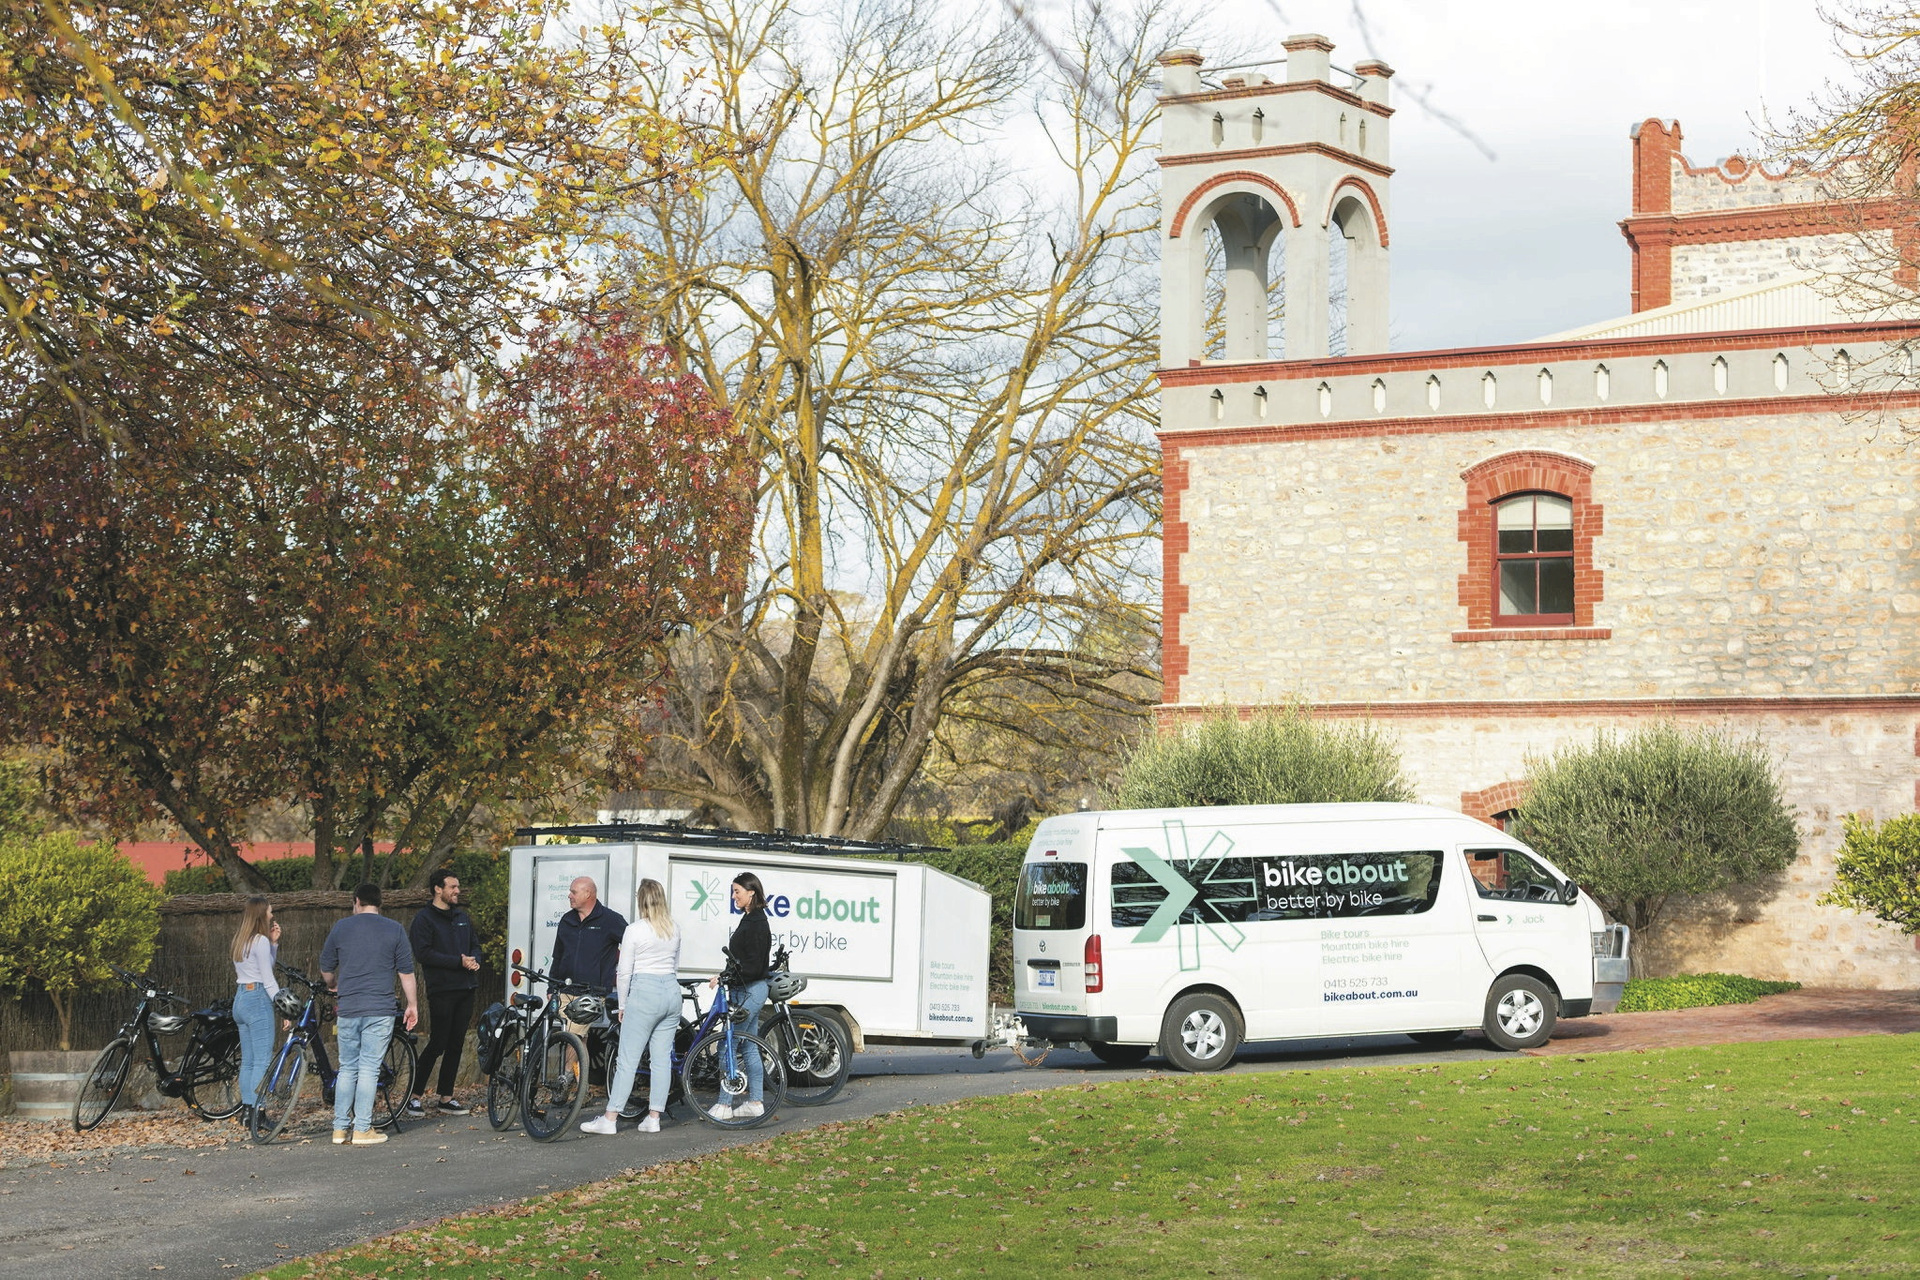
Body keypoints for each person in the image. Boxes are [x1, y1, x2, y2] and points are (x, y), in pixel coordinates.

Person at [319, 883, 419, 1146]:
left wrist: (332, 985)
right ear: (379, 903)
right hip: (380, 1009)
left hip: (348, 1008)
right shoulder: (395, 929)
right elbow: (406, 973)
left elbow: (326, 968)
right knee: (369, 1068)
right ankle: (362, 1128)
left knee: (347, 1068)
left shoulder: (341, 927)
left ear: (356, 901)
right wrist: (412, 1005)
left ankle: (339, 1129)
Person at [582, 878, 681, 1135]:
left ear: (641, 901)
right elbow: (675, 965)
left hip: (644, 992)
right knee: (661, 1060)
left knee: (627, 1060)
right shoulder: (674, 928)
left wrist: (623, 1004)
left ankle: (610, 1118)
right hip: (671, 992)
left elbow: (624, 972)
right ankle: (654, 1118)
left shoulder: (635, 930)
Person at [406, 868, 481, 1117]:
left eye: (457, 886)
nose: (457, 891)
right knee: (438, 1043)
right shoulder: (424, 919)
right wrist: (458, 962)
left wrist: (475, 960)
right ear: (438, 889)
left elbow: (475, 945)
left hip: (466, 987)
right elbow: (423, 953)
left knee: (456, 1044)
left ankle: (446, 1097)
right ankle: (414, 1096)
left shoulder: (462, 917)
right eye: (452, 887)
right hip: (442, 989)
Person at [707, 872, 772, 1121]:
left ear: (751, 892)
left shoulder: (756, 923)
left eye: (737, 891)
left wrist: (727, 976)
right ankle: (755, 1102)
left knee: (728, 1044)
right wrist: (726, 974)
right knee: (749, 1045)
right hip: (748, 989)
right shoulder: (751, 918)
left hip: (750, 990)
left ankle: (724, 1104)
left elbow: (753, 966)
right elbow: (743, 962)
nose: (734, 896)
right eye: (733, 891)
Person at [229, 896, 281, 1129]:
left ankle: (248, 1112)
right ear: (261, 914)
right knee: (262, 1060)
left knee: (248, 1062)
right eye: (269, 911)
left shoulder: (241, 939)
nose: (272, 915)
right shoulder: (259, 941)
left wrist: (274, 944)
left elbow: (262, 968)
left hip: (241, 998)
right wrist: (281, 1005)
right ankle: (259, 1114)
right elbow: (267, 979)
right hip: (257, 998)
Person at [549, 876, 627, 995]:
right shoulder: (566, 920)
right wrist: (552, 988)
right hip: (565, 994)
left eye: (574, 892)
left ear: (587, 894)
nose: (569, 896)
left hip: (596, 997)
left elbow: (634, 946)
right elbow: (557, 958)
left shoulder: (611, 920)